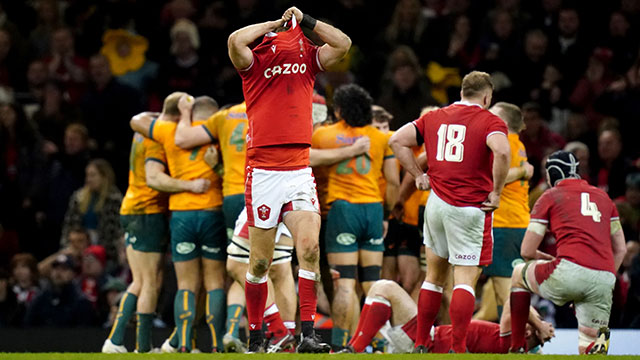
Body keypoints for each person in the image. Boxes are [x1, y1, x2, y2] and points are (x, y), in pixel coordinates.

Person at [173, 99, 369, 352]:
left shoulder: (233, 113)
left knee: (263, 265)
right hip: (263, 188)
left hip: (265, 189)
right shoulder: (289, 108)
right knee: (269, 266)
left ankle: (279, 332)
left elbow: (183, 138)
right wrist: (349, 150)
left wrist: (183, 113)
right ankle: (280, 333)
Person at [227, 6, 351, 353]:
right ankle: (256, 336)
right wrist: (272, 25)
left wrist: (308, 22)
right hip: (263, 171)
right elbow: (235, 40)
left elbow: (343, 44)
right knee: (260, 263)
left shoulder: (309, 57)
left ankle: (307, 336)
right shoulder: (254, 63)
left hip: (298, 169)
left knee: (309, 250)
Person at [389, 70, 510, 353]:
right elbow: (502, 152)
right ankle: (458, 347)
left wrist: (419, 174)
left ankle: (420, 343)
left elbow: (396, 140)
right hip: (469, 207)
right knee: (465, 279)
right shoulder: (490, 120)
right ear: (486, 96)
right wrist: (498, 192)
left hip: (436, 205)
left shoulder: (433, 117)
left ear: (461, 93)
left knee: (433, 277)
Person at [130, 94, 224, 353]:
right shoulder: (217, 132)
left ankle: (183, 343)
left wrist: (181, 113)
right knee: (214, 282)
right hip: (212, 212)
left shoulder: (168, 131)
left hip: (181, 215)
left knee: (185, 284)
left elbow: (136, 122)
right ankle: (216, 344)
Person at [102, 128, 210, 353]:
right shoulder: (159, 138)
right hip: (147, 212)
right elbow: (155, 178)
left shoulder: (143, 131)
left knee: (142, 281)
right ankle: (141, 347)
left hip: (134, 208)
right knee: (149, 282)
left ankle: (116, 339)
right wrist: (190, 185)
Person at [509, 150, 627, 354]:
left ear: (552, 174)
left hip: (568, 270)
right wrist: (603, 276)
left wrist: (546, 259)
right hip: (605, 279)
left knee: (518, 273)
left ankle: (517, 347)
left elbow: (527, 251)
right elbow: (621, 248)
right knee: (592, 347)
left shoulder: (550, 196)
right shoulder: (604, 197)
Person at [312, 84, 399, 351]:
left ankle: (340, 344)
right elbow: (393, 182)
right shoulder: (381, 138)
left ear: (338, 110)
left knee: (345, 284)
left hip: (342, 210)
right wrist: (386, 214)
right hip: (373, 209)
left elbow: (306, 160)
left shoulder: (324, 135)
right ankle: (376, 341)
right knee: (372, 282)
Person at [339, 279, 553, 353]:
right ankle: (353, 348)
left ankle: (354, 349)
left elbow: (514, 301)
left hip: (426, 343)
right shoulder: (510, 342)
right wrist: (539, 326)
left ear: (527, 331)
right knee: (380, 288)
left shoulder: (508, 341)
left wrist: (539, 325)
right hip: (428, 338)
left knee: (384, 287)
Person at [481, 102, 533, 318]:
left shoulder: (503, 144)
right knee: (507, 291)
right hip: (519, 224)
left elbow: (494, 178)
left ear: (502, 121)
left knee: (505, 294)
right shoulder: (518, 144)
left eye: (492, 115)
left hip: (504, 224)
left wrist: (520, 171)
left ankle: (517, 342)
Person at [60, 159, 123, 266]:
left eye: (93, 175)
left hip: (101, 251)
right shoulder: (78, 198)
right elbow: (68, 226)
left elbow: (115, 233)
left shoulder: (114, 200)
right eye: (87, 175)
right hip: (76, 245)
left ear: (104, 177)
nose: (88, 179)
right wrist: (68, 246)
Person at [24, 254, 96, 327]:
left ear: (73, 274)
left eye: (64, 269)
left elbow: (84, 333)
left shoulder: (80, 301)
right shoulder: (41, 297)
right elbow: (27, 327)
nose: (58, 273)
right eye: (55, 268)